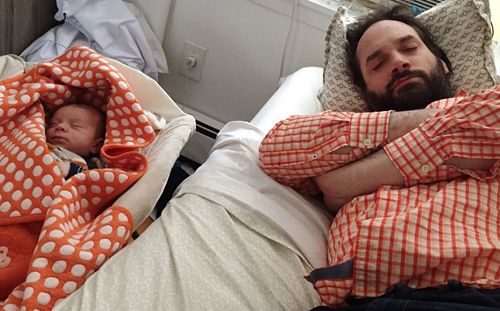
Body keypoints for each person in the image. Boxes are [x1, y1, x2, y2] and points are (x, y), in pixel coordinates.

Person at [259, 5, 499, 308]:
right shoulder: (344, 141)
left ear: (443, 62)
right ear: (363, 90)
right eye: (377, 64)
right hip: (368, 302)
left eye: (409, 48)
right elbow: (275, 151)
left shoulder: (489, 106)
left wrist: (347, 182)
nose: (398, 62)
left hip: (484, 294)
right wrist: (420, 128)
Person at [46, 103, 105, 178]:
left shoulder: (95, 163)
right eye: (53, 124)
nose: (60, 126)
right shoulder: (42, 144)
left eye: (75, 126)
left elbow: (94, 180)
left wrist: (70, 171)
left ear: (96, 145)